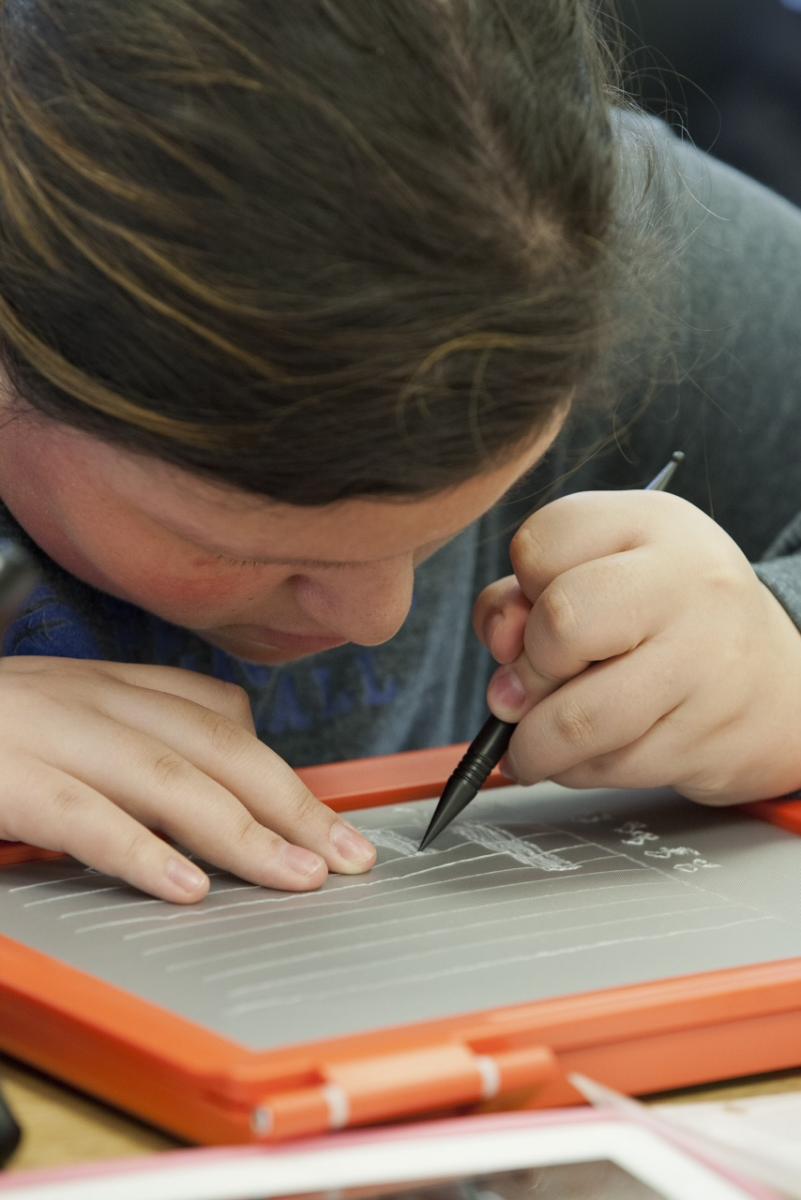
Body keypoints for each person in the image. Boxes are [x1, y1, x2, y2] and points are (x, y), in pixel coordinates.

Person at [0, 0, 799, 905]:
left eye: (441, 532)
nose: (382, 615)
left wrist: (782, 653)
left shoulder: (529, 216)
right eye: (250, 551)